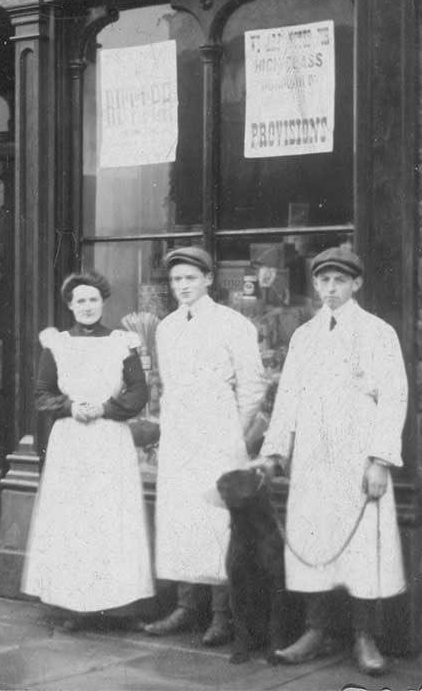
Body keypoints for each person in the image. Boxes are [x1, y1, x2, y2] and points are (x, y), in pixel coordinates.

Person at [258, 246, 408, 676]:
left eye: (339, 281)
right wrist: (274, 453)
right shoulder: (305, 336)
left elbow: (393, 398)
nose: (329, 289)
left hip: (358, 454)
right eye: (323, 281)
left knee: (362, 545)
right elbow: (287, 398)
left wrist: (380, 459)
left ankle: (365, 636)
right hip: (313, 455)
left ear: (356, 283)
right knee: (314, 538)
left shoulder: (378, 333)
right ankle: (315, 630)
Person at [144, 246, 267, 645]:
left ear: (209, 279)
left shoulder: (234, 324)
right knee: (182, 516)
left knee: (218, 521)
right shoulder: (166, 327)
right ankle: (185, 606)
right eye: (177, 280)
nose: (182, 286)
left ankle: (221, 614)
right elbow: (167, 384)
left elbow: (253, 386)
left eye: (190, 279)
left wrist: (234, 433)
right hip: (181, 433)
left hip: (219, 433)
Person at [21, 270, 155, 629]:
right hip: (73, 443)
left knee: (110, 518)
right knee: (76, 521)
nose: (87, 306)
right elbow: (42, 393)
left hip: (109, 439)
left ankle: (118, 606)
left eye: (93, 299)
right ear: (69, 305)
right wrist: (70, 407)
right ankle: (75, 606)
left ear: (103, 302)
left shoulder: (121, 342)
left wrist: (105, 409)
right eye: (80, 300)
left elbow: (138, 392)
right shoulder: (57, 344)